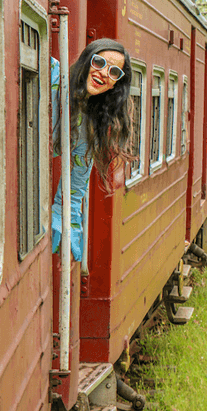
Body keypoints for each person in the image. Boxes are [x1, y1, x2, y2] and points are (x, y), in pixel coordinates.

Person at [51, 38, 133, 261]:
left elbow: (74, 190)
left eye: (114, 72)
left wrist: (67, 222)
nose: (105, 73)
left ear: (116, 84)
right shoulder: (52, 74)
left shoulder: (88, 126)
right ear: (87, 61)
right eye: (99, 62)